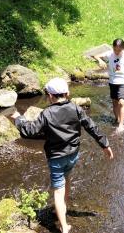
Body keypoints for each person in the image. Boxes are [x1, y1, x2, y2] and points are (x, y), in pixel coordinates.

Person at [11, 78, 113, 233]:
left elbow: (28, 131)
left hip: (56, 158)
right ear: (67, 93)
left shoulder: (47, 113)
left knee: (58, 190)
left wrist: (19, 119)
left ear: (50, 96)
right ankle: (62, 208)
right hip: (73, 154)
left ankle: (64, 226)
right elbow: (91, 126)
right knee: (67, 179)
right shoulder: (76, 108)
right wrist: (104, 144)